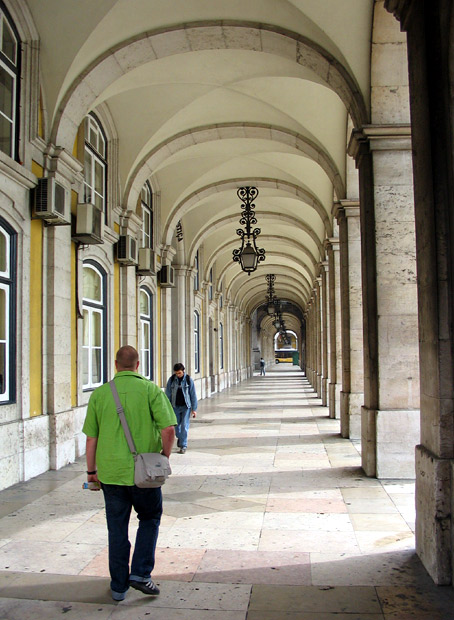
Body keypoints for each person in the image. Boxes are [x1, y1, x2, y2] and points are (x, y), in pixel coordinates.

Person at [82, 345, 177, 602]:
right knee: (149, 518)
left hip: (110, 474)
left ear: (115, 365)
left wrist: (91, 472)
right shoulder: (150, 390)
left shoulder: (100, 394)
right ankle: (141, 573)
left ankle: (118, 587)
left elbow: (91, 438)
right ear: (138, 365)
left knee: (116, 529)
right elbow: (169, 430)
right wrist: (163, 457)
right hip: (144, 475)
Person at [165, 363, 197, 454]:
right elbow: (168, 394)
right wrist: (167, 407)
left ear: (183, 371)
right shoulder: (171, 380)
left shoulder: (188, 380)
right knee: (175, 426)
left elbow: (193, 394)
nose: (178, 375)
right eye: (176, 373)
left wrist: (194, 409)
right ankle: (180, 437)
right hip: (175, 406)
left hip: (186, 406)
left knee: (184, 426)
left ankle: (183, 445)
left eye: (179, 373)